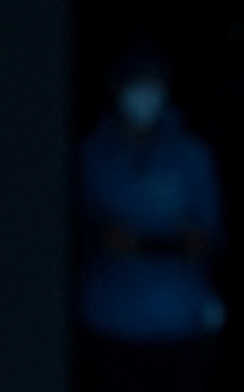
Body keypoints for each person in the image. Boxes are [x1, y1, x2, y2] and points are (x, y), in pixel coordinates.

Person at [77, 47, 224, 392]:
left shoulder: (191, 155)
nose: (145, 94)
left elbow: (211, 232)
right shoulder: (91, 154)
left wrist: (190, 242)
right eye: (136, 83)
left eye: (153, 83)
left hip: (180, 318)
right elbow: (77, 228)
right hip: (110, 318)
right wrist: (103, 238)